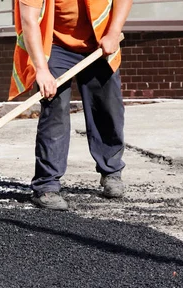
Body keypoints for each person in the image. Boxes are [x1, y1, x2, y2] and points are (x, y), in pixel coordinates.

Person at [9, 0, 133, 210]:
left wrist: (113, 32)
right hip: (55, 46)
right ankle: (46, 185)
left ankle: (111, 172)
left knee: (108, 108)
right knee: (54, 108)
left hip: (99, 41)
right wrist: (42, 70)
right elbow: (29, 20)